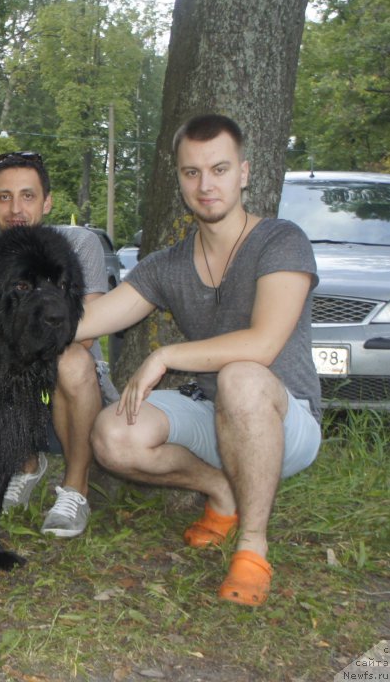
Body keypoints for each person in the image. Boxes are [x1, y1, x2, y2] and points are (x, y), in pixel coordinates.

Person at [76, 114, 322, 606]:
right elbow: (89, 321)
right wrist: (5, 308)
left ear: (245, 173)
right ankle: (223, 491)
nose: (206, 185)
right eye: (192, 172)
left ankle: (252, 545)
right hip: (214, 414)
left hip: (283, 417)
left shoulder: (281, 241)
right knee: (113, 434)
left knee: (242, 377)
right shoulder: (169, 264)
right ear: (180, 180)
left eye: (219, 169)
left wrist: (165, 355)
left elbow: (263, 344)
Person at [0, 150, 117, 538]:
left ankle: (76, 487)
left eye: (27, 196)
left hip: (76, 394)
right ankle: (24, 466)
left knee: (69, 358)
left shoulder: (78, 245)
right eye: (4, 197)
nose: (16, 209)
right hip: (12, 398)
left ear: (47, 202)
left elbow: (88, 327)